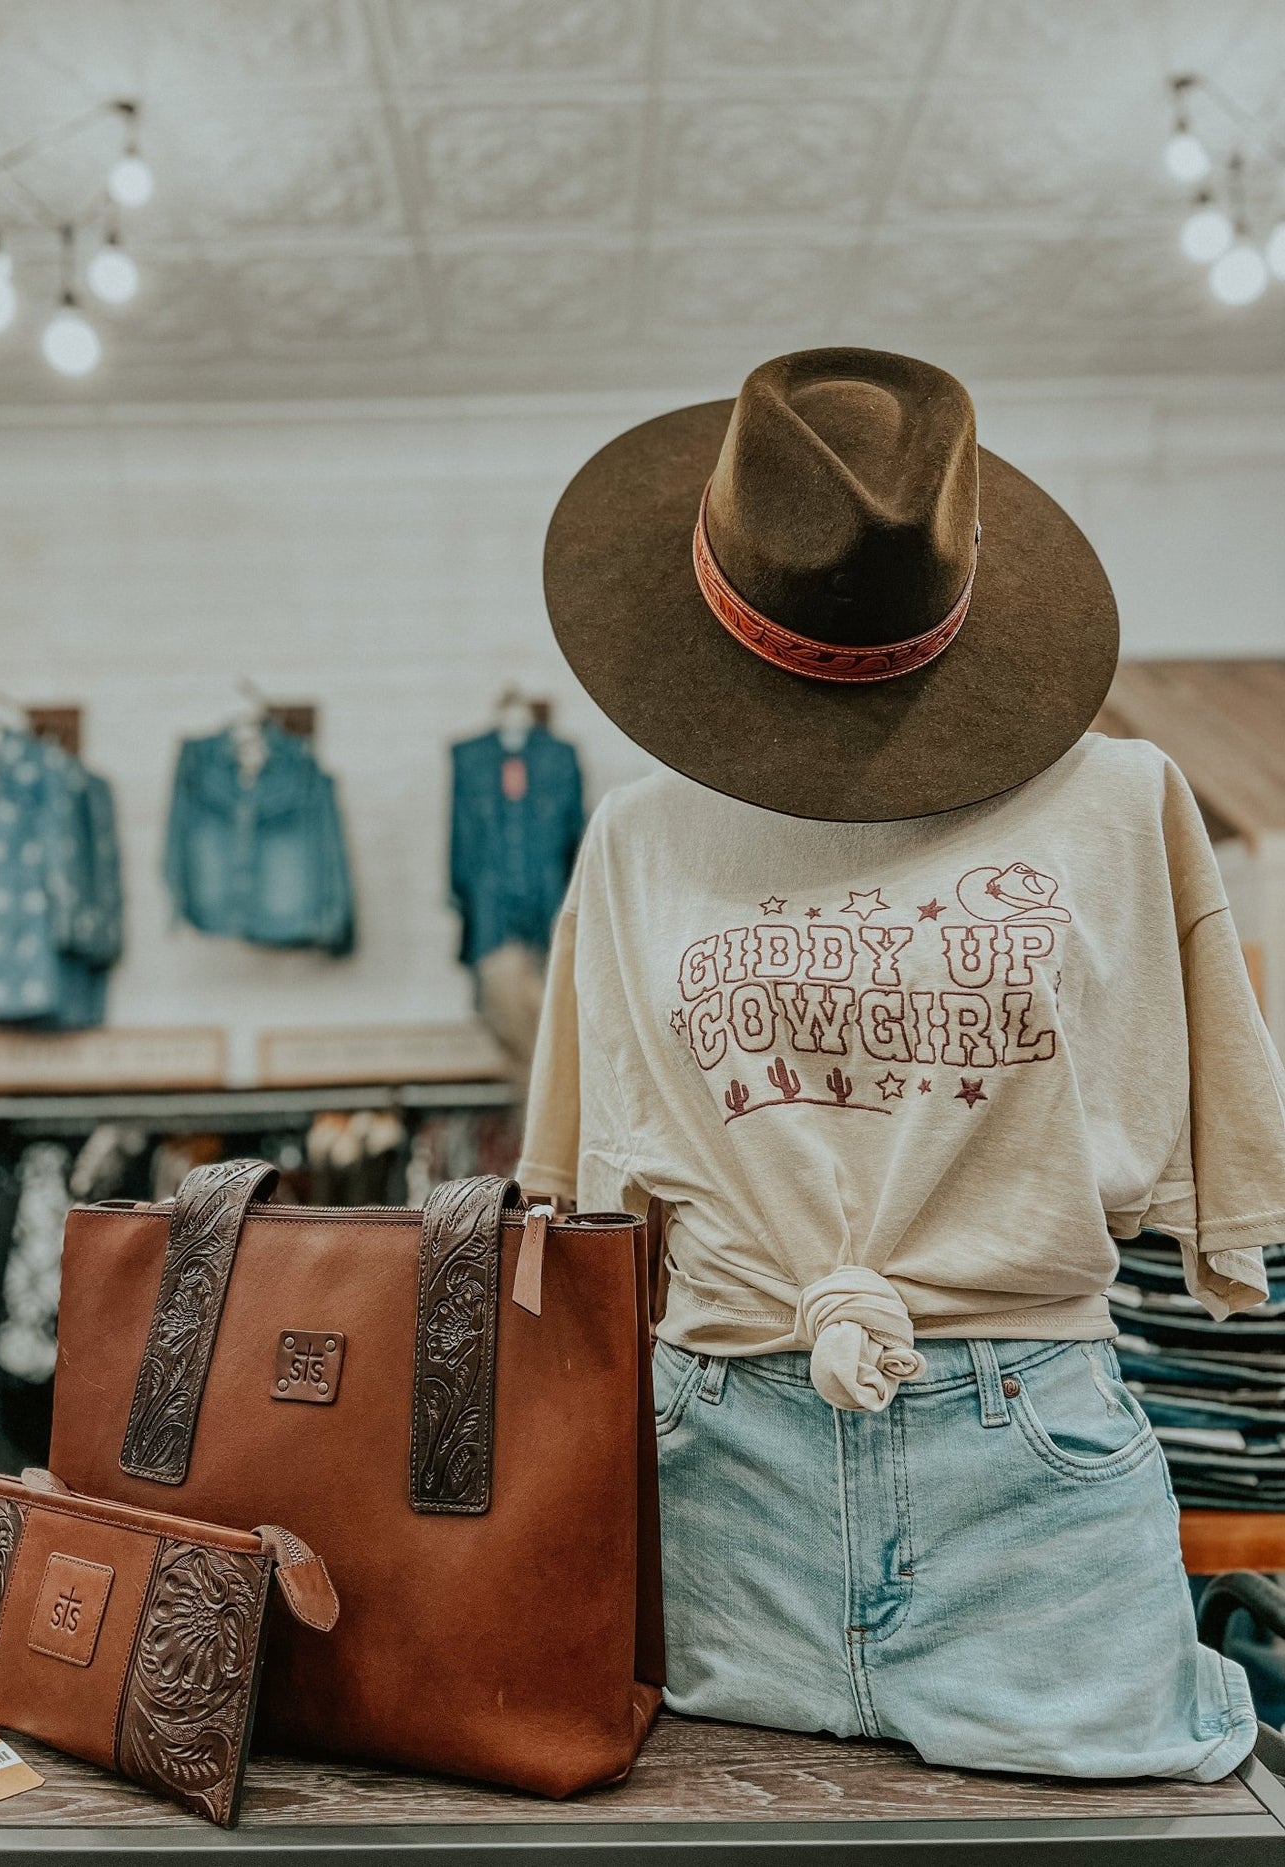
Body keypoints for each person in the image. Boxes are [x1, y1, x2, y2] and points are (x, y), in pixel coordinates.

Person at [517, 349, 1285, 1781]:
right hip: (716, 1464)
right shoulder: (637, 835)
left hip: (1029, 1464)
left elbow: (1229, 1121)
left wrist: (1229, 1231)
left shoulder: (1125, 804)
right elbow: (573, 1180)